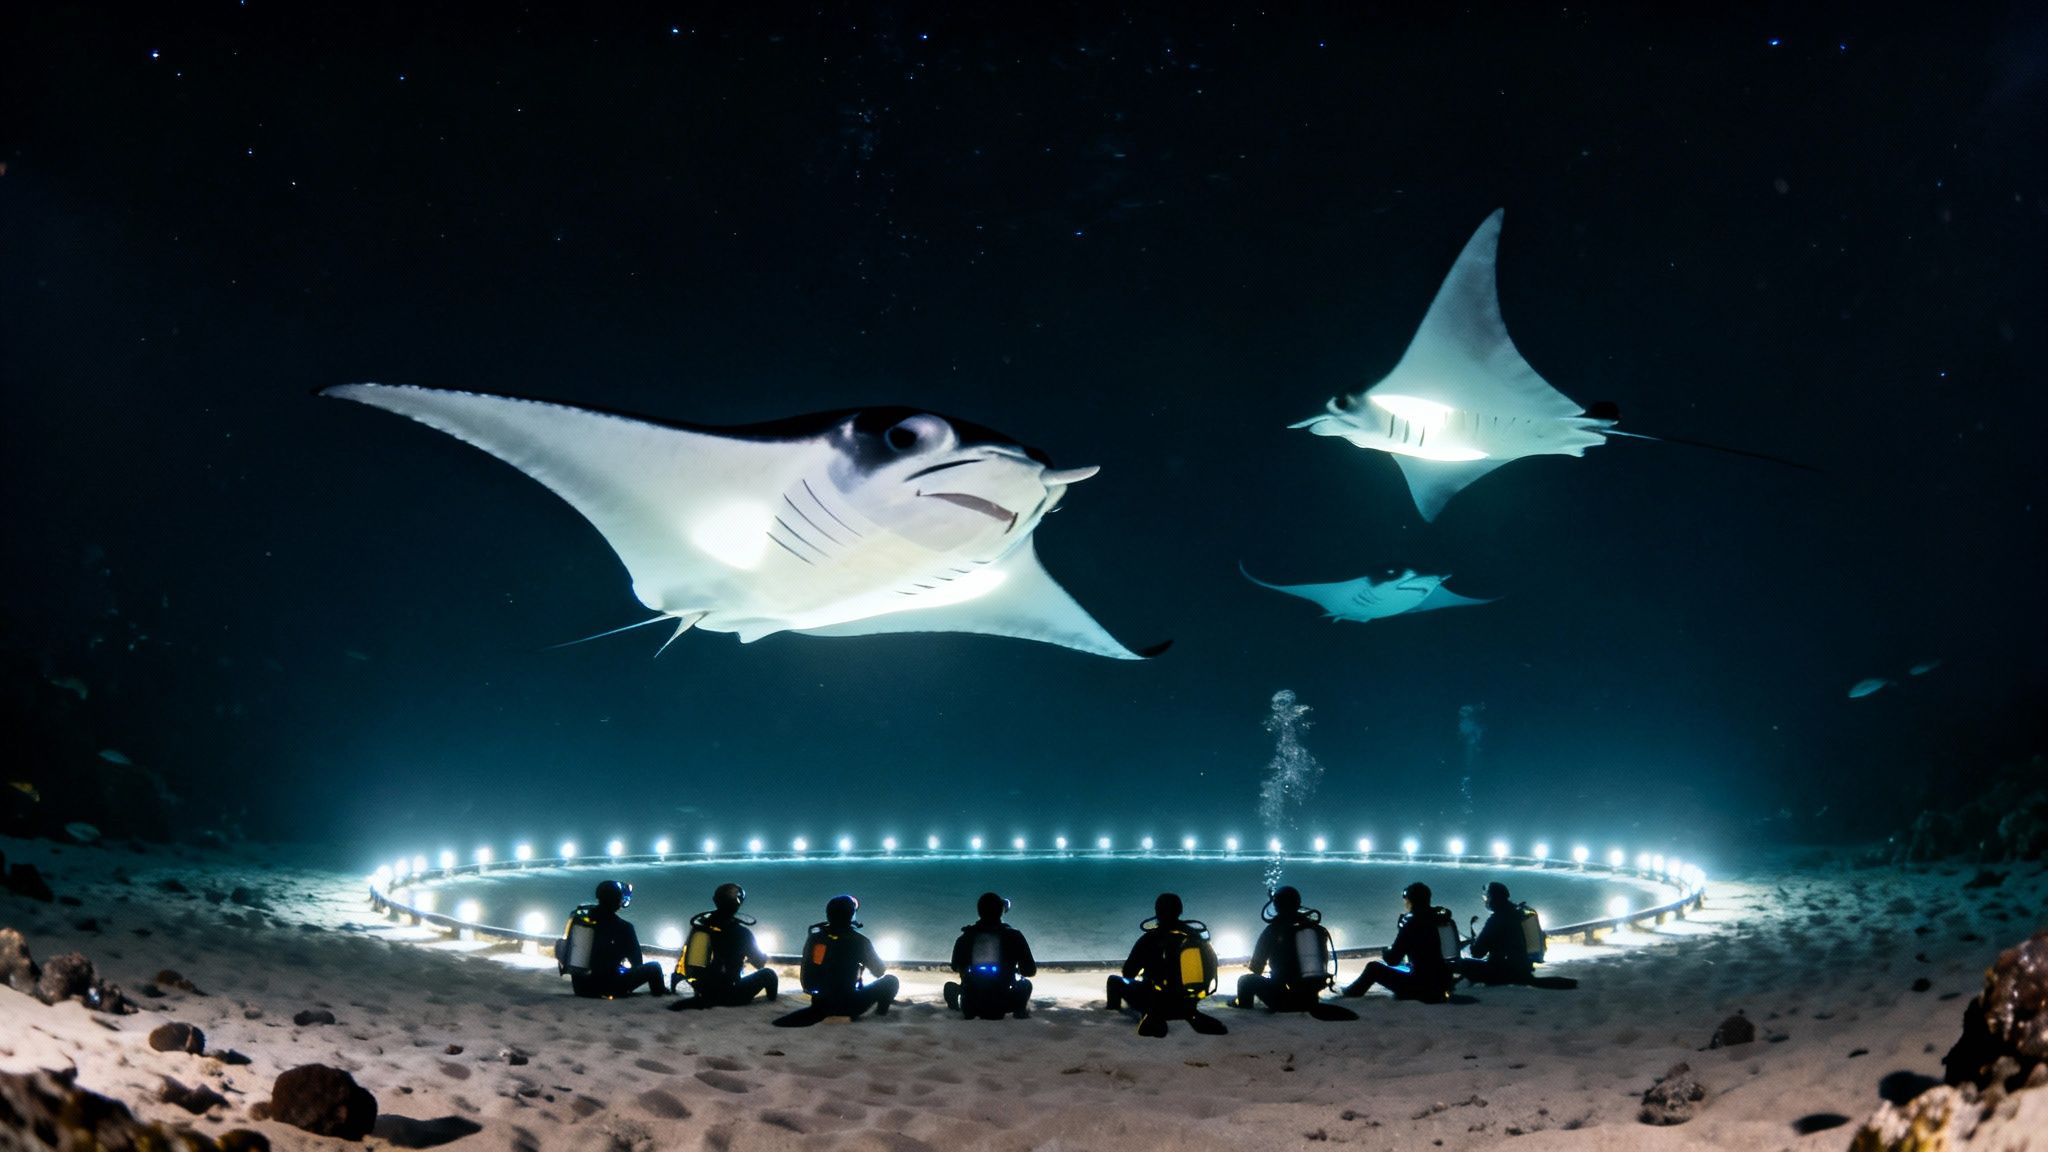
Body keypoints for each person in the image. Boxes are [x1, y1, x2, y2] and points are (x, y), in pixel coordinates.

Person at [1105, 893, 1228, 1037]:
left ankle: (1139, 1014)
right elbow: (1211, 968)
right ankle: (1189, 1014)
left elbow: (1128, 972)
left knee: (1114, 981)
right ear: (1180, 911)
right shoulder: (1196, 936)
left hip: (1156, 1000)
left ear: (1157, 912)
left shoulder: (1150, 938)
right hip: (1189, 1001)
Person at [1232, 885, 1359, 1021]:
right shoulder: (1316, 929)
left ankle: (1243, 1009)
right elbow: (1323, 961)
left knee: (1246, 980)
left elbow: (1256, 968)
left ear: (1276, 905)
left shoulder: (1273, 930)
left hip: (1284, 1000)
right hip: (1311, 997)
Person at [773, 894, 899, 1027]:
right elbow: (879, 971)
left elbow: (807, 982)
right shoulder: (860, 941)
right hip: (850, 1005)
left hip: (819, 1004)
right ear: (851, 916)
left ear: (828, 915)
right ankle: (881, 1014)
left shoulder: (815, 938)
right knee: (891, 980)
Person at [1338, 881, 1457, 1003]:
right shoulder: (1436, 918)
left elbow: (1393, 959)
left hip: (1421, 987)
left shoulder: (1412, 924)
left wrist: (1386, 951)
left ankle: (1351, 994)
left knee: (1373, 968)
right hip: (1443, 983)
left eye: (1406, 899)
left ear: (1411, 901)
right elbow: (1445, 912)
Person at [669, 882, 779, 1009]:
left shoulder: (700, 926)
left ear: (716, 900)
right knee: (768, 974)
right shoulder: (742, 933)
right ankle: (773, 1004)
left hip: (701, 990)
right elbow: (759, 963)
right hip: (730, 994)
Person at [559, 880, 668, 999]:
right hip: (610, 987)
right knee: (654, 967)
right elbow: (637, 962)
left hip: (581, 988)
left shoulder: (580, 921)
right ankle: (660, 994)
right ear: (618, 901)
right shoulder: (624, 927)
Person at [944, 892, 1038, 1019]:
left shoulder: (965, 938)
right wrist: (1013, 968)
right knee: (1025, 984)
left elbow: (955, 966)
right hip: (1003, 1003)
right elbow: (1030, 970)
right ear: (1000, 911)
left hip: (971, 1005)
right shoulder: (1014, 936)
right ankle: (1020, 1011)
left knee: (949, 987)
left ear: (979, 912)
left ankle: (956, 1011)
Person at [1454, 881, 1535, 986]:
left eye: (1486, 898)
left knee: (1462, 964)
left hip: (1505, 971)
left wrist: (1474, 943)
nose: (1485, 901)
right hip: (1524, 968)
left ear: (1493, 898)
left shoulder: (1497, 919)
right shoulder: (1518, 913)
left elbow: (1477, 952)